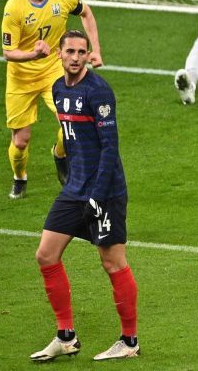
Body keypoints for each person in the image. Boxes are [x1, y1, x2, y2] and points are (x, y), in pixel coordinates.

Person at [30, 30, 139, 362]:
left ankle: (129, 342)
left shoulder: (99, 92)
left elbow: (110, 148)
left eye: (82, 52)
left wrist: (97, 194)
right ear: (59, 54)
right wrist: (65, 168)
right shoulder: (58, 89)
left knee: (112, 262)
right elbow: (70, 138)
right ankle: (66, 337)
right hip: (74, 189)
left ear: (89, 55)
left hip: (104, 192)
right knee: (46, 255)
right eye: (70, 51)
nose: (75, 57)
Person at [2, 0, 102, 199]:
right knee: (21, 140)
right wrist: (33, 55)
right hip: (21, 76)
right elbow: (8, 52)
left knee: (72, 123)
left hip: (54, 71)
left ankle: (60, 153)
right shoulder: (14, 8)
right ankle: (19, 177)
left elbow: (87, 13)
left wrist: (95, 50)